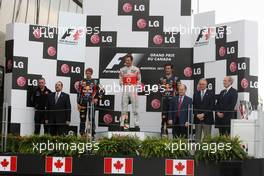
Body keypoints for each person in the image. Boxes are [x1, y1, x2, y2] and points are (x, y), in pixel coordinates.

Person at [119, 54, 141, 129]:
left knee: (135, 108)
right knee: (124, 108)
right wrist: (124, 85)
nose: (127, 62)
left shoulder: (136, 69)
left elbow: (139, 80)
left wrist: (134, 86)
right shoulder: (122, 70)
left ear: (132, 61)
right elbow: (120, 80)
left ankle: (136, 124)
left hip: (133, 90)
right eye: (126, 60)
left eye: (128, 60)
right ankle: (122, 124)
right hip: (125, 89)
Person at [77, 68, 100, 137]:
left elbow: (101, 91)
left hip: (91, 103)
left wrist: (96, 98)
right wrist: (78, 103)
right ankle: (82, 133)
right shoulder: (81, 82)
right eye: (86, 73)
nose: (88, 74)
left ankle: (92, 133)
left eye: (89, 73)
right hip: (83, 103)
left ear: (91, 73)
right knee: (82, 118)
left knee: (91, 118)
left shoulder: (95, 82)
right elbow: (78, 93)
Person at [159, 63, 181, 137]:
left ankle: (176, 136)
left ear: (172, 69)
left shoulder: (176, 79)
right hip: (165, 101)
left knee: (174, 119)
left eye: (169, 68)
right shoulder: (162, 79)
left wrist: (175, 95)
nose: (167, 70)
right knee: (164, 119)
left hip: (173, 102)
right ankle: (164, 136)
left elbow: (180, 90)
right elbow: (160, 90)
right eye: (166, 68)